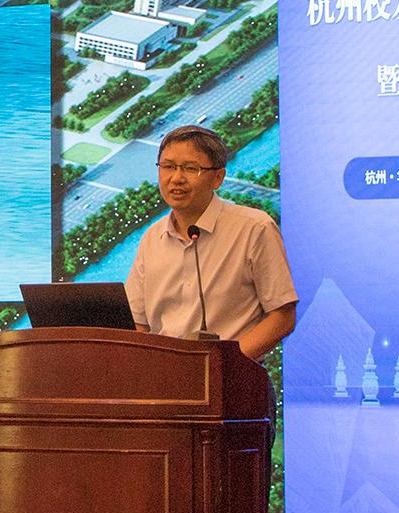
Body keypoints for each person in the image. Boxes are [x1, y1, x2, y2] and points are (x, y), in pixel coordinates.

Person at [124, 124, 297, 361]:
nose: (176, 178)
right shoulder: (152, 238)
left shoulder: (254, 228)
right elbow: (138, 323)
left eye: (190, 168)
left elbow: (282, 316)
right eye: (168, 166)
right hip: (165, 378)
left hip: (231, 377)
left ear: (218, 178)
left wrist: (223, 364)